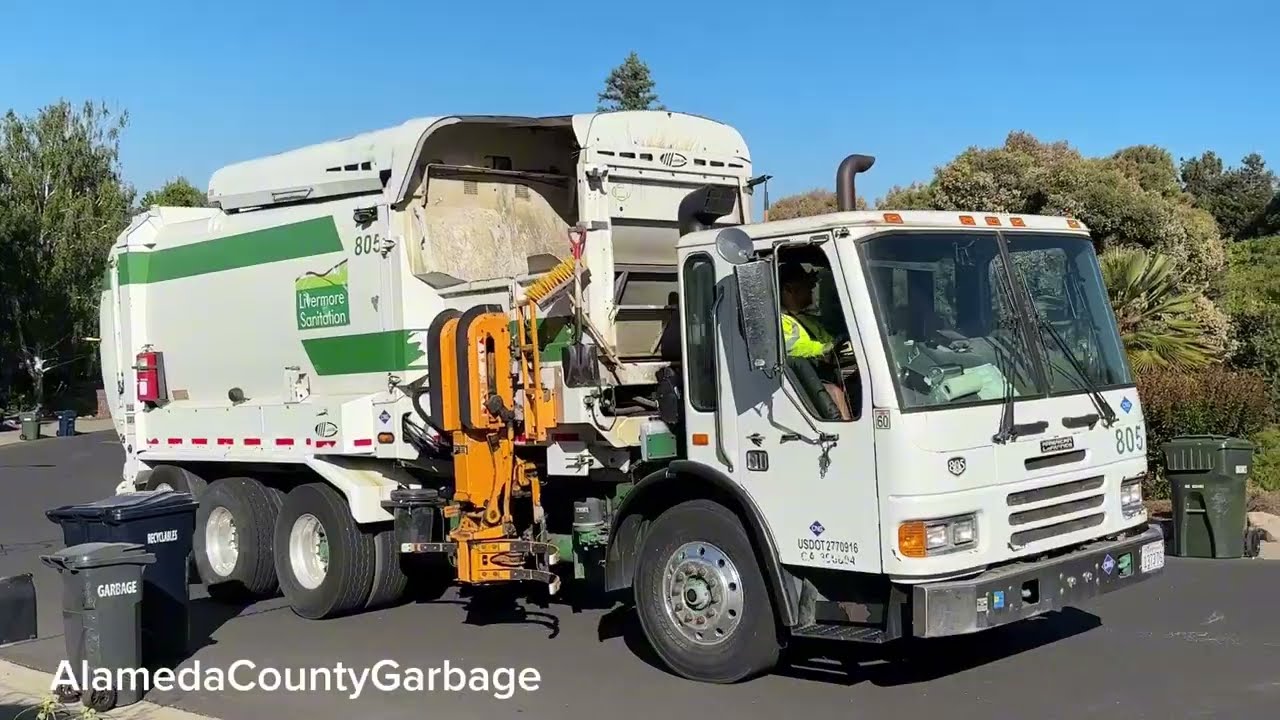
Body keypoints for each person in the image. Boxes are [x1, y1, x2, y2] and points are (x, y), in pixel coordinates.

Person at [777, 261, 855, 419]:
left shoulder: (808, 319)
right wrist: (826, 349)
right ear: (789, 289)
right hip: (805, 381)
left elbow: (829, 340)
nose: (812, 288)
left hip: (827, 369)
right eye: (806, 285)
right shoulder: (779, 321)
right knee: (834, 391)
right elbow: (789, 347)